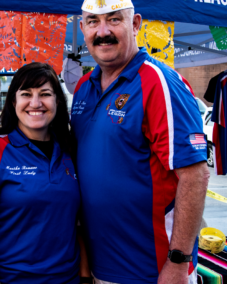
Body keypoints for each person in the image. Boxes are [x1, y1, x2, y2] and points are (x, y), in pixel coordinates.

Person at [71, 1, 210, 284]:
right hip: (100, 265)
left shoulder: (159, 82)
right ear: (83, 28)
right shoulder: (84, 87)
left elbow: (195, 176)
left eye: (113, 20)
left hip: (152, 269)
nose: (103, 31)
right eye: (94, 22)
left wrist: (178, 262)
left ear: (135, 24)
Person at [0, 63, 88, 283]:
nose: (35, 103)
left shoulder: (70, 150)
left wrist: (85, 278)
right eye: (26, 94)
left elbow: (78, 224)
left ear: (57, 101)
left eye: (45, 94)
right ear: (13, 102)